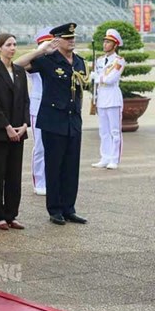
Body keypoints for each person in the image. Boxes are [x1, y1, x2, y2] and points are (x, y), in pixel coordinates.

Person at [15, 23, 89, 225]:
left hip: (73, 120)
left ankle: (69, 208)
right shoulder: (47, 61)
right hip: (53, 121)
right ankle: (55, 209)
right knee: (54, 166)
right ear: (56, 40)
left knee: (71, 167)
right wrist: (40, 50)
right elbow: (17, 65)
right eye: (67, 38)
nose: (72, 40)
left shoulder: (79, 62)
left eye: (73, 37)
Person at [0, 33, 29, 231]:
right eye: (8, 45)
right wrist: (7, 127)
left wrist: (25, 124)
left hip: (19, 131)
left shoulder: (20, 71)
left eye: (14, 44)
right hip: (1, 132)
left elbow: (25, 100)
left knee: (14, 174)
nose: (12, 48)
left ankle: (12, 213)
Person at [91, 28, 125, 170]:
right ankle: (105, 157)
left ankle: (114, 159)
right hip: (102, 98)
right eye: (104, 41)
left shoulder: (119, 61)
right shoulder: (99, 60)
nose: (105, 44)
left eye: (108, 42)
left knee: (115, 131)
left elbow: (111, 79)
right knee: (103, 131)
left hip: (113, 98)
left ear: (115, 45)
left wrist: (96, 77)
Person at [28, 28, 52, 196]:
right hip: (38, 108)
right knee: (40, 147)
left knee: (53, 147)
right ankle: (39, 180)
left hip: (54, 108)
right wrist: (40, 51)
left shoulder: (57, 60)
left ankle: (51, 179)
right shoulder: (35, 62)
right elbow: (19, 64)